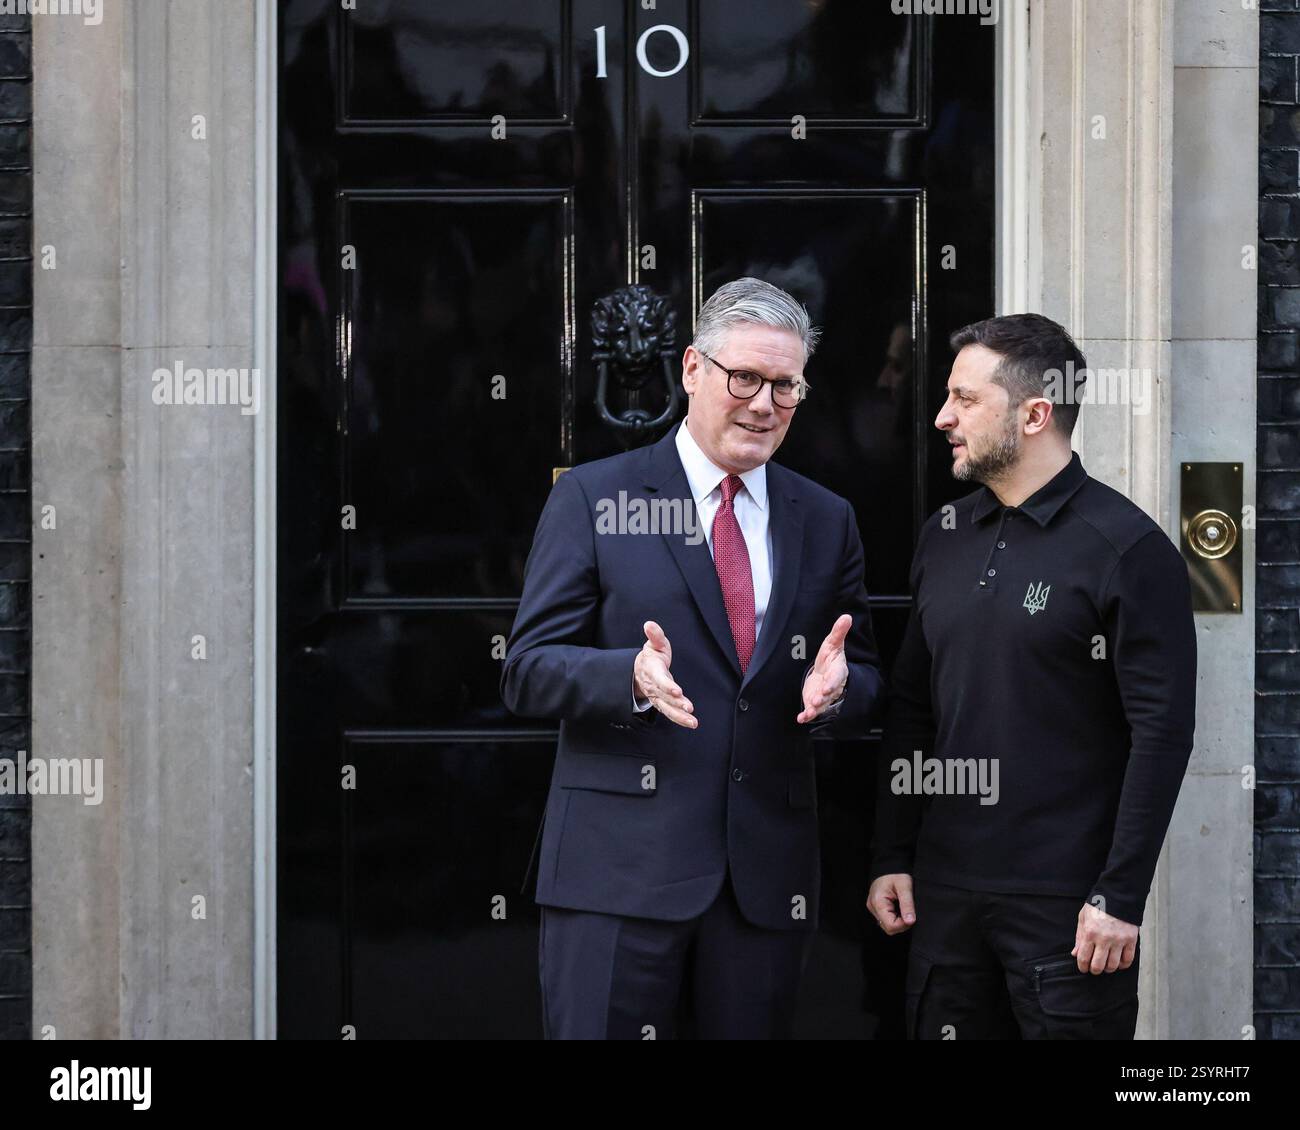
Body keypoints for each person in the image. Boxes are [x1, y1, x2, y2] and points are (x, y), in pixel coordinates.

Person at [502, 277, 883, 1039]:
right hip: (616, 880)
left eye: (785, 385)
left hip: (763, 886)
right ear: (692, 370)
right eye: (745, 378)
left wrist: (843, 692)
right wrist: (626, 679)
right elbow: (527, 668)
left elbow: (866, 673)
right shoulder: (593, 496)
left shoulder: (826, 517)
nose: (764, 403)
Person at [867, 313, 1196, 1040]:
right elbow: (912, 706)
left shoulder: (1129, 550)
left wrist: (1120, 896)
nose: (942, 416)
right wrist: (891, 853)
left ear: (1036, 412)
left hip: (1068, 911)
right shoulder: (943, 536)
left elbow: (1162, 734)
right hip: (945, 900)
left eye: (965, 399)